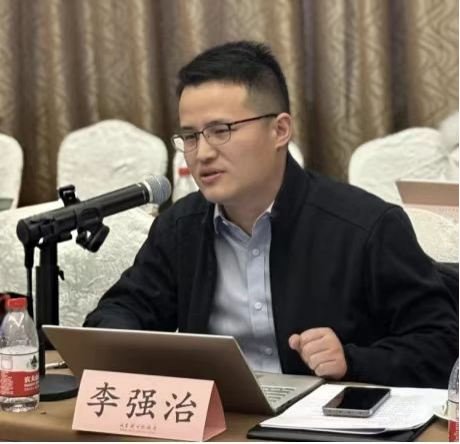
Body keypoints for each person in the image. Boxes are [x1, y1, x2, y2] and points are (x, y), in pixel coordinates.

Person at [84, 41, 458, 388]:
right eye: (191, 137)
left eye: (221, 130)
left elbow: (441, 345)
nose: (203, 153)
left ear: (280, 130)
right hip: (219, 419)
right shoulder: (181, 226)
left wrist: (352, 361)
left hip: (328, 421)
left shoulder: (366, 227)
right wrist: (121, 340)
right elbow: (123, 309)